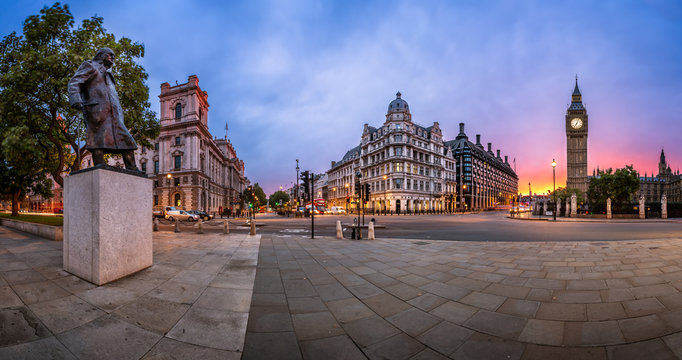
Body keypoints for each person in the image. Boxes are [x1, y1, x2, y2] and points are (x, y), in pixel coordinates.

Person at [68, 48, 138, 170]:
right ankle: (99, 165)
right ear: (100, 55)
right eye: (109, 55)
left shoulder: (109, 74)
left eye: (113, 56)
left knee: (126, 139)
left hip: (114, 114)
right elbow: (74, 83)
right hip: (96, 110)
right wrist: (75, 99)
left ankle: (132, 167)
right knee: (97, 140)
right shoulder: (89, 65)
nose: (112, 58)